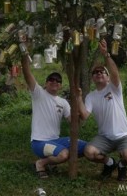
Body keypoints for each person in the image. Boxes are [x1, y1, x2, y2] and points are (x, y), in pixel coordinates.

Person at [78, 39, 127, 181]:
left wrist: (106, 55)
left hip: (124, 135)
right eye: (95, 72)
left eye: (102, 72)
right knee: (89, 152)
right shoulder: (91, 97)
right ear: (92, 78)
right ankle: (110, 163)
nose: (99, 73)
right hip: (105, 137)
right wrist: (79, 97)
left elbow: (115, 73)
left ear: (108, 77)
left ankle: (122, 165)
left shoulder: (114, 88)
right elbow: (85, 115)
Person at [21, 51, 87, 179]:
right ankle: (40, 163)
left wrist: (78, 98)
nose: (54, 82)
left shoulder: (63, 102)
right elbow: (27, 73)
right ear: (46, 83)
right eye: (51, 79)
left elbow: (73, 122)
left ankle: (51, 161)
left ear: (61, 86)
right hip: (39, 142)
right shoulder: (39, 94)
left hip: (56, 140)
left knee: (87, 147)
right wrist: (24, 56)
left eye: (58, 80)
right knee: (63, 154)